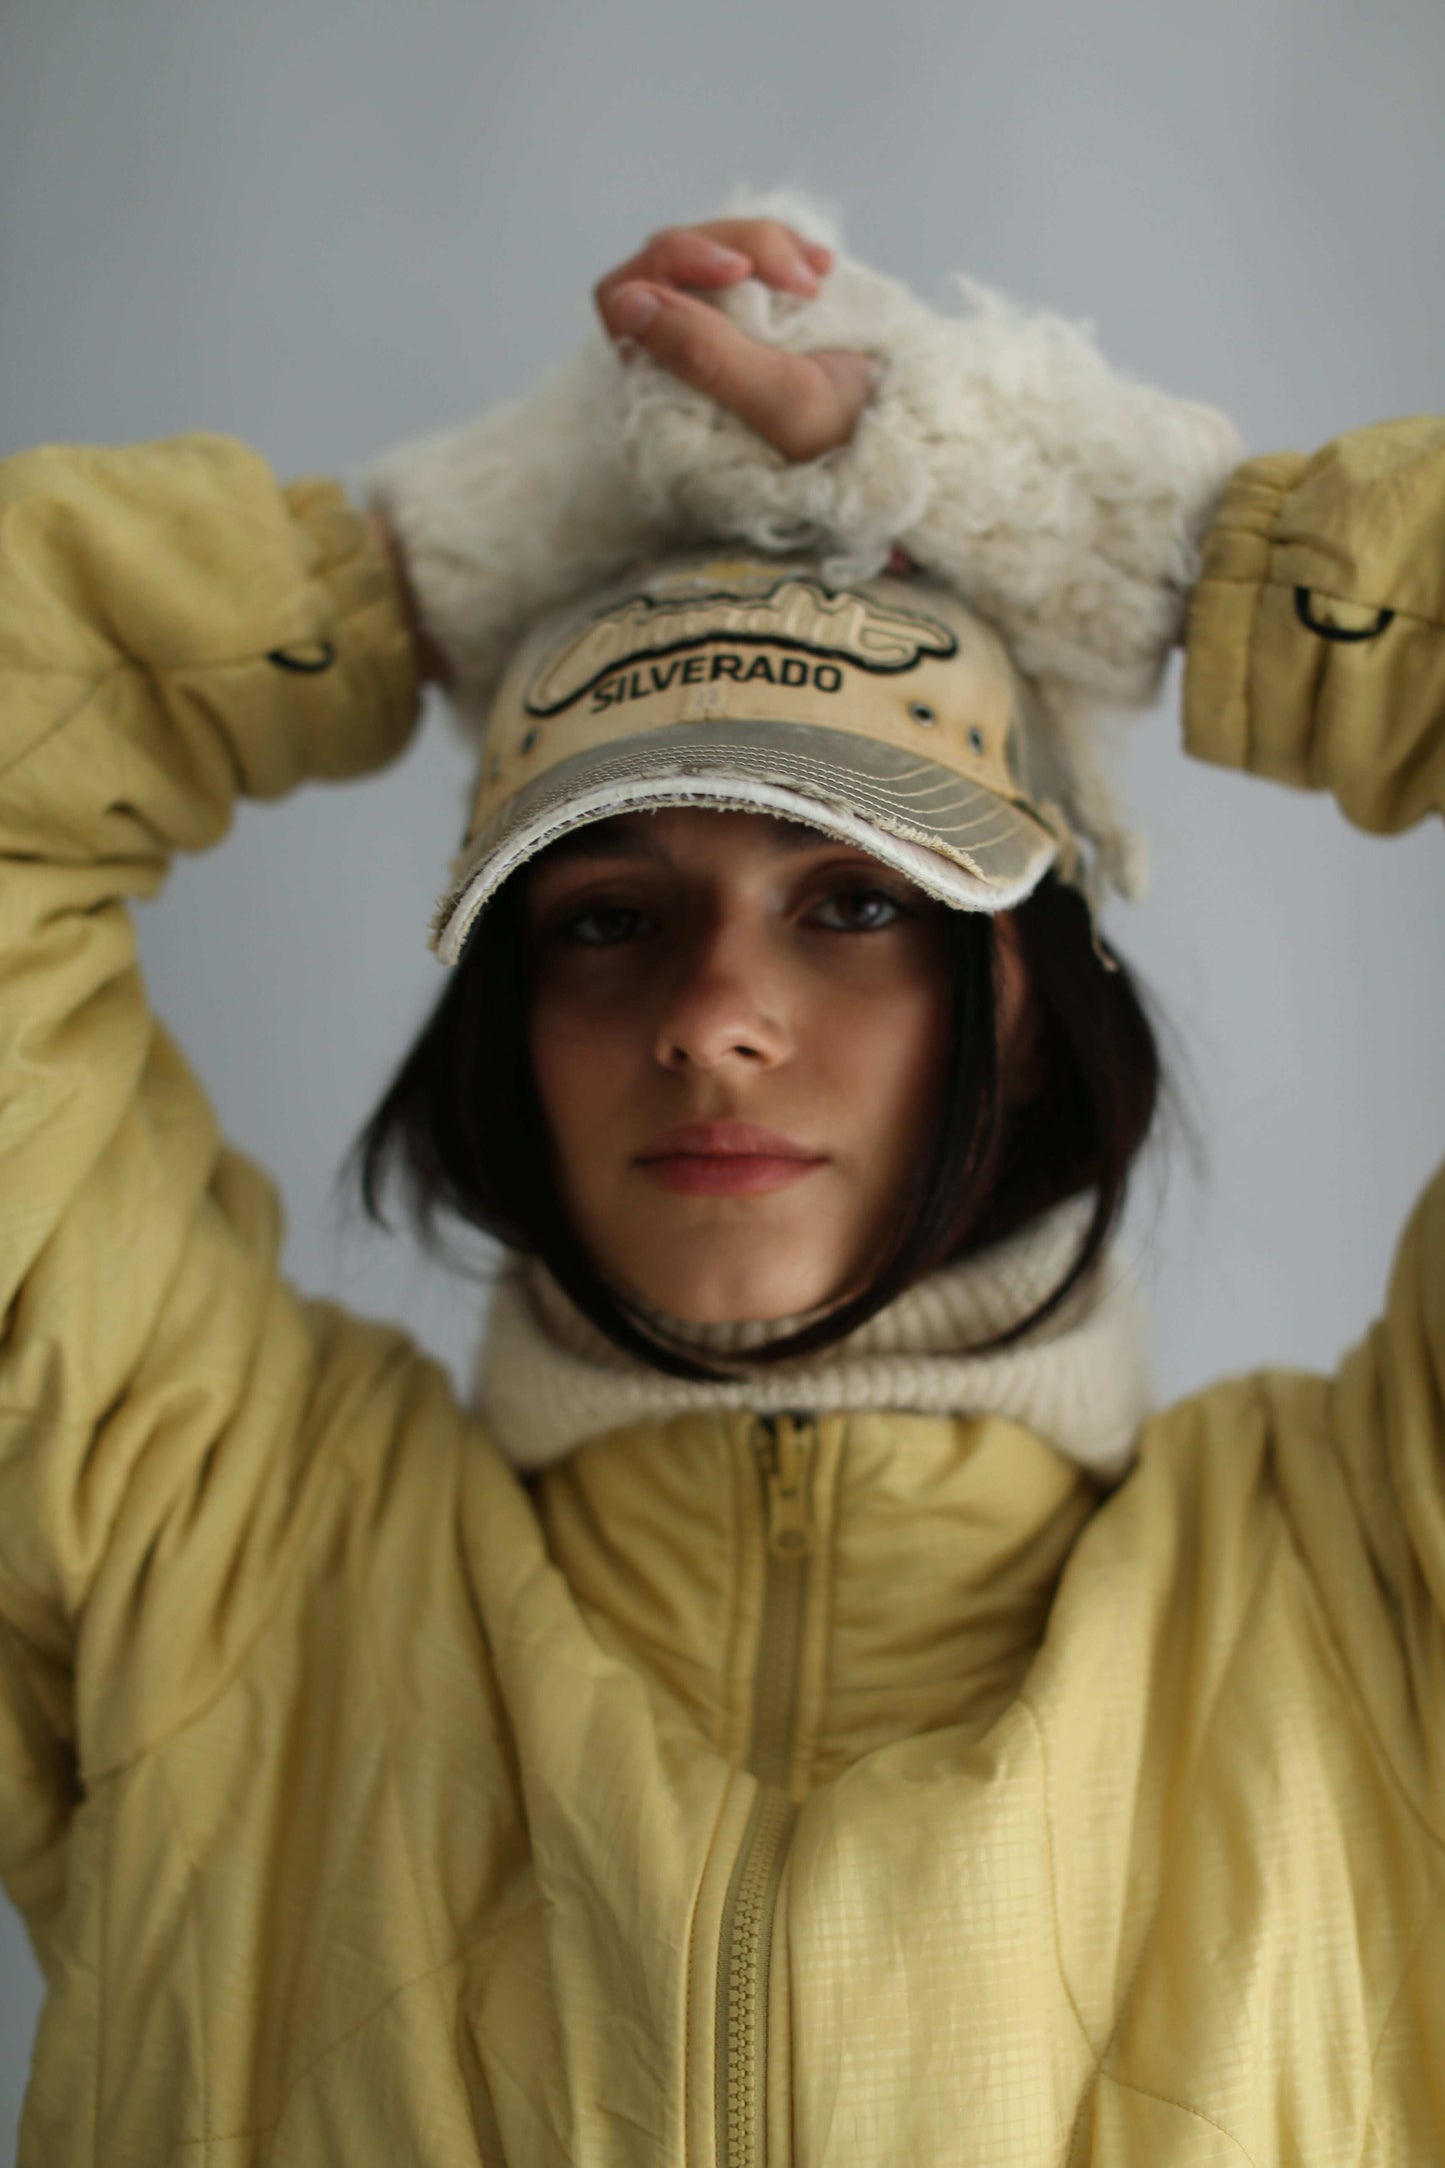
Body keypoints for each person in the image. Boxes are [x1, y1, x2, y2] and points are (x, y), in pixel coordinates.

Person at [0, 207, 1439, 2167]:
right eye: (609, 918)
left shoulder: (1368, 1610)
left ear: (1031, 994)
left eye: (856, 900)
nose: (716, 1016)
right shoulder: (208, 1555)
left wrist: (1140, 532)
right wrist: (422, 567)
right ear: (506, 1012)